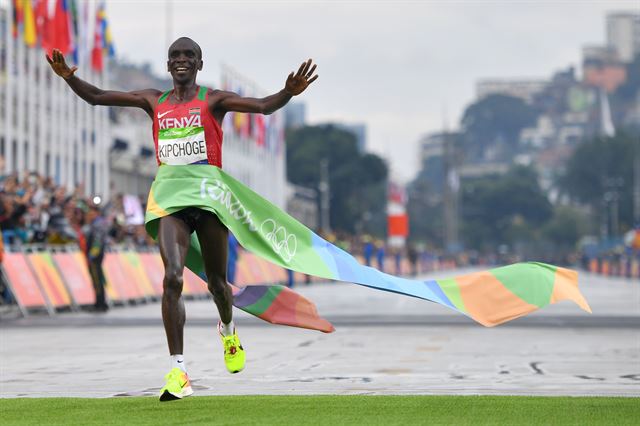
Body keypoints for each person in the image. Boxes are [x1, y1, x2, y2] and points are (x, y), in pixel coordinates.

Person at [46, 37, 317, 401]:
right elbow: (97, 96)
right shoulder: (151, 100)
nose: (182, 60)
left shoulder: (214, 100)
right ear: (168, 64)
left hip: (207, 201)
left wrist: (287, 92)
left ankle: (229, 328)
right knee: (172, 278)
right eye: (175, 55)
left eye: (189, 55)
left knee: (218, 284)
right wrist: (68, 78)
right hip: (170, 200)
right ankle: (178, 370)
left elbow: (263, 106)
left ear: (199, 64)